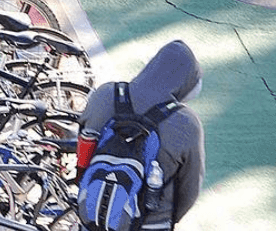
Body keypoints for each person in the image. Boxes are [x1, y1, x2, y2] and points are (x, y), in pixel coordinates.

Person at [77, 40, 206, 230]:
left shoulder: (105, 94)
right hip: (152, 223)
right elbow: (190, 189)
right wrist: (169, 218)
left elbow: (83, 151)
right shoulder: (187, 122)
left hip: (95, 213)